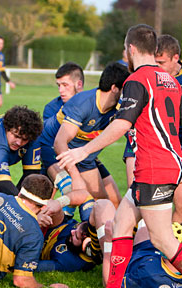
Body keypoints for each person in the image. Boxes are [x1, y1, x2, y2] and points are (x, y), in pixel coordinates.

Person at [57, 24, 182, 288]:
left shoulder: (136, 80)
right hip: (162, 166)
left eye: (126, 50)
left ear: (131, 49)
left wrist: (83, 150)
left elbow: (122, 124)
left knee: (162, 239)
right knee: (121, 225)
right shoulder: (169, 80)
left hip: (154, 169)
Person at [124, 34, 182, 226]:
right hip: (145, 143)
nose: (157, 66)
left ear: (175, 58)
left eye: (161, 62)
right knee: (138, 201)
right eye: (155, 61)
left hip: (176, 145)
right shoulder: (144, 76)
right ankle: (146, 252)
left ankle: (175, 250)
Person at [38, 62, 129, 221]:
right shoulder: (84, 104)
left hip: (82, 156)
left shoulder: (120, 107)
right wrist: (76, 177)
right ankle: (64, 236)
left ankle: (103, 242)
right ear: (115, 88)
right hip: (52, 149)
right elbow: (60, 143)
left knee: (105, 203)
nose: (129, 93)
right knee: (71, 193)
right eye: (125, 88)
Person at [38, 198, 115, 285]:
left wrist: (33, 222)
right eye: (76, 227)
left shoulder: (70, 261)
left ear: (86, 248)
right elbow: (85, 196)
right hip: (56, 226)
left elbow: (34, 265)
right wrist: (59, 203)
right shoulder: (89, 226)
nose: (72, 231)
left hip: (37, 245)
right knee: (51, 206)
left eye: (76, 236)